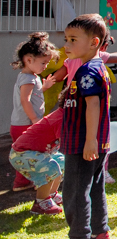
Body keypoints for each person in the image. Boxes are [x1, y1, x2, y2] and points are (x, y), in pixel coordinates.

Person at [61, 14, 112, 239]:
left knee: (75, 192)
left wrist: (90, 140)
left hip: (83, 144)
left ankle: (80, 234)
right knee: (94, 187)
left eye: (73, 39)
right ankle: (101, 232)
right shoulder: (92, 67)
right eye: (66, 39)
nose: (66, 45)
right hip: (92, 142)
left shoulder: (88, 71)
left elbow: (93, 105)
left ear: (94, 42)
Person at [9, 32, 57, 192]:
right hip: (25, 124)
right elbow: (25, 100)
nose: (45, 66)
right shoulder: (28, 78)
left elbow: (33, 96)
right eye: (43, 63)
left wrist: (44, 87)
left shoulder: (31, 76)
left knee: (25, 155)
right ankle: (24, 182)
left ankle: (22, 182)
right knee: (28, 154)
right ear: (29, 60)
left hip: (22, 124)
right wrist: (35, 119)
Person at [9, 109, 64, 216]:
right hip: (21, 153)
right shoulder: (61, 118)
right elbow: (66, 142)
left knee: (62, 161)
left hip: (39, 153)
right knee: (50, 167)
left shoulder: (66, 115)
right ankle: (41, 203)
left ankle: (51, 195)